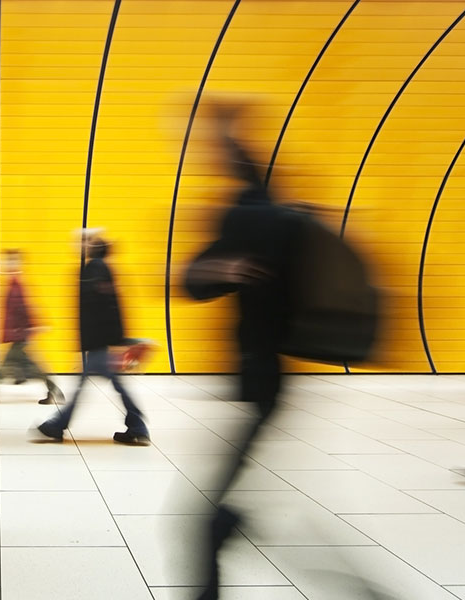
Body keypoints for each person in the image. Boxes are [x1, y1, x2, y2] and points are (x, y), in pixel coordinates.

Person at [183, 111, 303, 600]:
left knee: (206, 524)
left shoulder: (249, 216)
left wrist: (219, 266)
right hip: (272, 376)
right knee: (218, 516)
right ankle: (230, 524)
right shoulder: (286, 217)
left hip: (260, 377)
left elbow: (192, 281)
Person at [36, 234, 149, 445]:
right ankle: (137, 427)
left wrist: (90, 346)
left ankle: (57, 426)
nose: (79, 244)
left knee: (85, 387)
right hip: (101, 341)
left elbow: (95, 310)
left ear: (93, 247)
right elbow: (112, 306)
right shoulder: (101, 268)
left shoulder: (93, 270)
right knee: (109, 385)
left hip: (98, 342)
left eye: (85, 242)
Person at [0, 249, 64, 405]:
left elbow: (23, 310)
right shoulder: (13, 283)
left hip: (19, 334)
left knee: (5, 365)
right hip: (18, 334)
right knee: (30, 365)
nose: (6, 264)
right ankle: (53, 389)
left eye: (11, 261)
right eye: (7, 261)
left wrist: (32, 327)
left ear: (18, 264)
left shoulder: (16, 285)